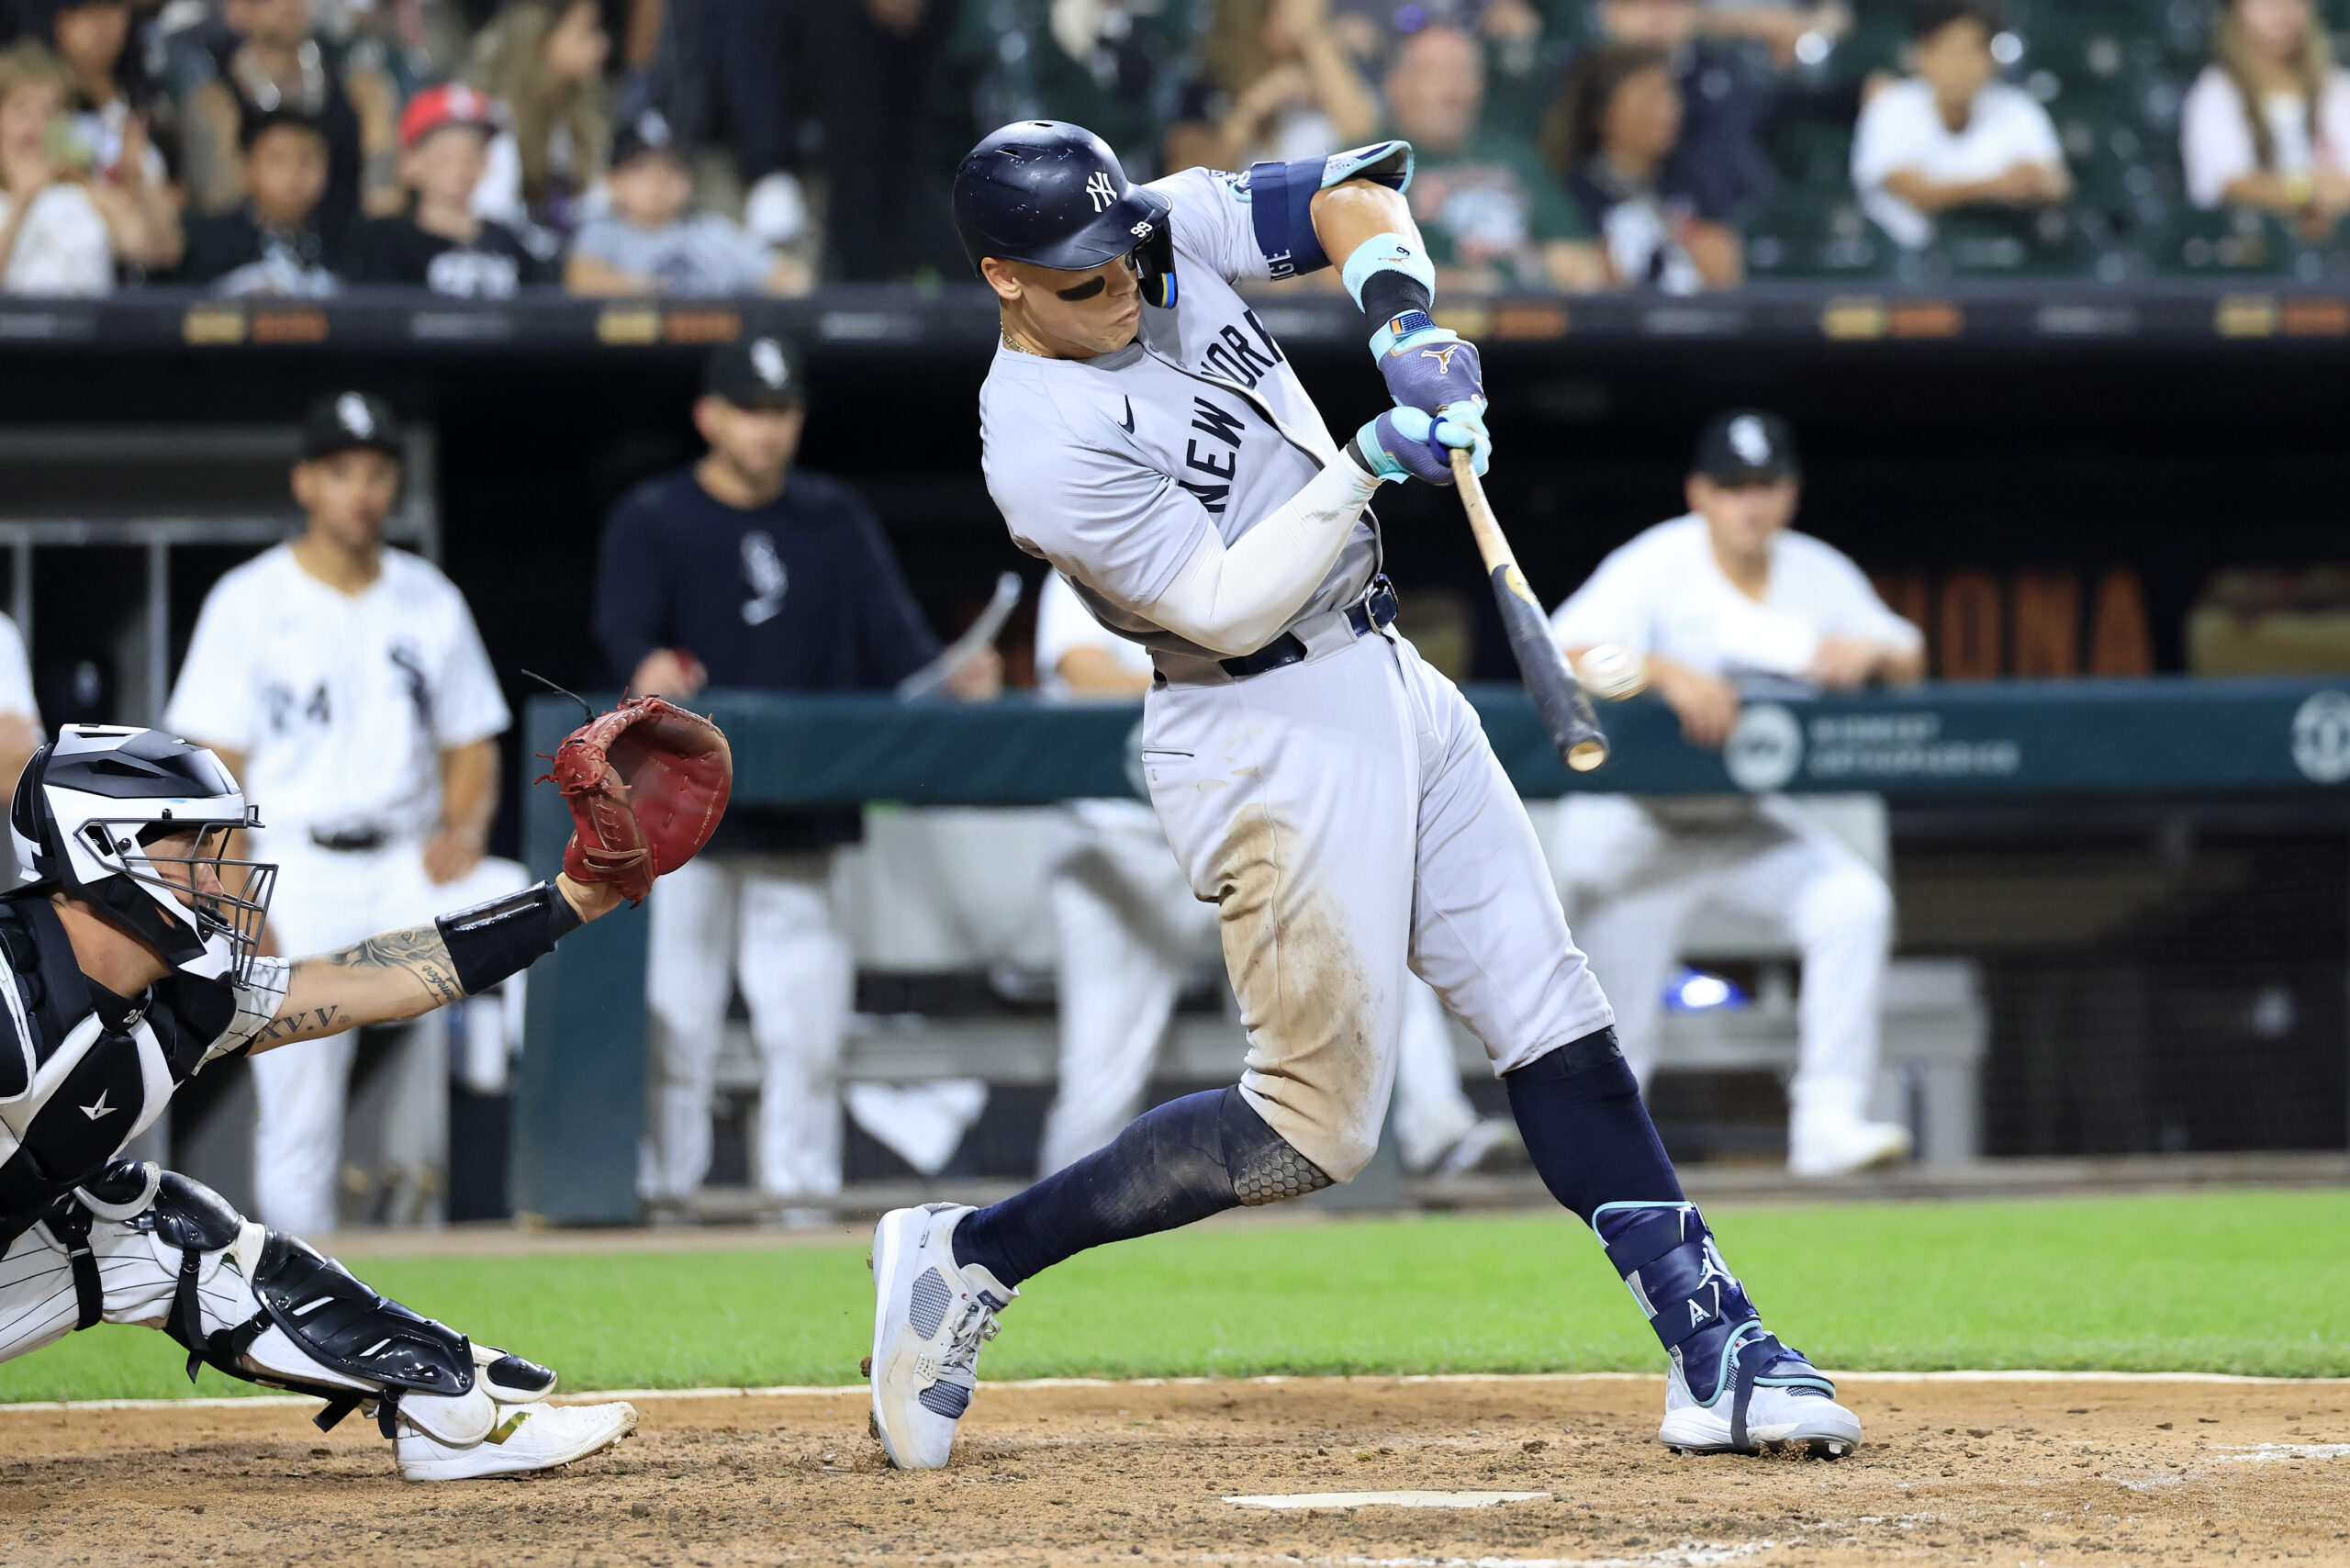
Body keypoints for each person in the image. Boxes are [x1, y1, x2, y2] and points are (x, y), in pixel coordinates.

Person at [864, 119, 1865, 1473]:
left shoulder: (1153, 231)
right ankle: (970, 1256)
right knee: (1310, 1128)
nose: (1123, 284)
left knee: (1548, 1000)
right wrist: (1370, 455)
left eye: (1124, 255)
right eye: (1082, 276)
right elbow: (1218, 605)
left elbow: (1351, 194)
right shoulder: (1033, 443)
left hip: (1379, 665)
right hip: (1253, 723)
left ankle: (1717, 1349)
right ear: (1003, 277)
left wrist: (1398, 320)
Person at [0, 723, 645, 1480]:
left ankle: (457, 1416)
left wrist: (568, 900)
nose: (225, 875)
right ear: (102, 849)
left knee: (155, 1226)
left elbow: (370, 982)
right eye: (196, 848)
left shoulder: (183, 1004)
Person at [593, 336, 1002, 1221]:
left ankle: (799, 1209)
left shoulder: (833, 518)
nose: (766, 428)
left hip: (801, 820)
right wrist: (647, 666)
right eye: (749, 409)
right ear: (709, 417)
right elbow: (625, 641)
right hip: (681, 827)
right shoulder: (654, 515)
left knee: (806, 1033)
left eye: (779, 411)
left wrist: (951, 671)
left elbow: (897, 651)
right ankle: (667, 1201)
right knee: (678, 1027)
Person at [164, 391, 527, 1237]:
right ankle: (302, 1287)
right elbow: (208, 770)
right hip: (291, 866)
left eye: (375, 473)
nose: (361, 491)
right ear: (307, 483)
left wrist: (467, 829)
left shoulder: (427, 597)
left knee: (535, 914)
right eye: (341, 473)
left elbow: (474, 745)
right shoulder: (248, 600)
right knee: (299, 1098)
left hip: (405, 861)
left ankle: (529, 1156)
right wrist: (236, 898)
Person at [1032, 573, 1514, 1179]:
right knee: (1100, 1076)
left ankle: (1440, 1133)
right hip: (1121, 849)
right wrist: (1225, 684)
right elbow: (1083, 674)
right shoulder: (1098, 537)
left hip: (1247, 830)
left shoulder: (1254, 545)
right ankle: (1049, 1222)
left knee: (1374, 938)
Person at [1544, 411, 1922, 1177]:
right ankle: (1601, 1175)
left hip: (1743, 826)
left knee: (1852, 904)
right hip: (1639, 834)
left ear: (1790, 494)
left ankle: (1827, 1122)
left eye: (1765, 485)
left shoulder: (1817, 571)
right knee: (1619, 1045)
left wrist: (1873, 651)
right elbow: (1561, 647)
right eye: (1732, 486)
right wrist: (1663, 672)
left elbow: (1909, 657)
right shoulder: (1657, 562)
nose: (1749, 503)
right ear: (1700, 494)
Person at [1380, 24, 1604, 293]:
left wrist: (1563, 269)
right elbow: (1337, 275)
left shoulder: (1515, 157)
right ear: (1396, 84)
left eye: (1464, 72)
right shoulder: (1368, 162)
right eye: (1433, 73)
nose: (1452, 88)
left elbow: (1578, 256)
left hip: (1531, 322)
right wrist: (1457, 285)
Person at [1849, 0, 2068, 252]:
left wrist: (2034, 181)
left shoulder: (2017, 108)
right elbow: (1914, 191)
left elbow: (2057, 183)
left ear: (1990, 58)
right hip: (1904, 267)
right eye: (1949, 51)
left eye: (1972, 51)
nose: (1960, 66)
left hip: (2000, 258)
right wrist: (1997, 186)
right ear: (1922, 55)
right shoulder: (1891, 106)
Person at [176, 0, 400, 225]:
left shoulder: (358, 91)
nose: (288, 4)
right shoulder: (216, 102)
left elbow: (383, 204)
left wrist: (378, 128)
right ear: (235, 10)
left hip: (346, 244)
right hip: (255, 251)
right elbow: (219, 212)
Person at [1550, 44, 1742, 291]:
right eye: (1648, 98)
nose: (1666, 111)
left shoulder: (1687, 181)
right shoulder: (1575, 192)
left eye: (1669, 96)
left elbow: (1723, 270)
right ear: (1602, 113)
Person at [564, 109, 807, 297]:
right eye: (641, 171)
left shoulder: (709, 230)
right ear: (613, 181)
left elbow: (790, 277)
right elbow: (581, 278)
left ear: (688, 182)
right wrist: (661, 294)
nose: (658, 183)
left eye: (671, 170)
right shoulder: (605, 231)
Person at [350, 82, 554, 297]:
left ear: (486, 162)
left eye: (471, 155)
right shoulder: (384, 242)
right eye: (445, 156)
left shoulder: (509, 243)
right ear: (410, 162)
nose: (459, 169)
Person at [22, 0, 180, 274]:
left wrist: (134, 177)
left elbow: (168, 248)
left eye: (111, 10)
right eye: (87, 13)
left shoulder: (145, 111)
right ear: (62, 22)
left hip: (127, 278)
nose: (101, 26)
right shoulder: (39, 115)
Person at [0, 38, 163, 291]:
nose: (38, 127)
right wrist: (22, 203)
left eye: (51, 111)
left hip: (90, 325)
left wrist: (136, 177)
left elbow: (148, 250)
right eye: (22, 110)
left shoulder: (86, 190)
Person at [2180, 0, 2350, 241]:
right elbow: (2226, 184)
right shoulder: (2217, 91)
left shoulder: (2338, 88)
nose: (2282, 12)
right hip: (2249, 254)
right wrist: (2305, 192)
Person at [1164, 0, 1379, 175]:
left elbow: (1363, 135)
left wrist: (1313, 36)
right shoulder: (1209, 87)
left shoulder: (1327, 64)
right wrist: (1253, 107)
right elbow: (1188, 178)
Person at [463, 0, 610, 240]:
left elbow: (587, 206)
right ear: (540, 41)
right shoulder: (488, 116)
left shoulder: (575, 113)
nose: (603, 45)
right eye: (586, 32)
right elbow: (489, 217)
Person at [177, 106, 349, 293]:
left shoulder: (347, 240)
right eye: (279, 159)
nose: (295, 173)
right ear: (247, 167)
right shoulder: (213, 244)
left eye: (308, 159)